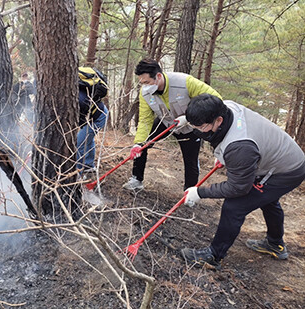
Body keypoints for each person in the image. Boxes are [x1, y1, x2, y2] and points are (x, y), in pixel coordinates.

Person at [181, 94, 305, 269]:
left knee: (235, 206)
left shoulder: (240, 147)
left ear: (218, 121)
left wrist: (200, 192)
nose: (198, 131)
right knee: (267, 199)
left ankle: (213, 256)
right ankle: (275, 244)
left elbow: (238, 187)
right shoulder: (227, 105)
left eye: (201, 127)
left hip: (286, 170)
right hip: (281, 158)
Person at [124, 60, 222, 191]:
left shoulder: (184, 82)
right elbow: (145, 120)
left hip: (190, 127)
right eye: (142, 83)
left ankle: (189, 192)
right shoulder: (145, 93)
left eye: (147, 82)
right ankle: (136, 179)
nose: (145, 86)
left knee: (190, 160)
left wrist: (189, 118)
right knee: (142, 145)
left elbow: (215, 99)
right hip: (166, 122)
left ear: (158, 76)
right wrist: (138, 143)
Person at [77, 84, 108, 177]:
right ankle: (89, 165)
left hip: (99, 117)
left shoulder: (77, 100)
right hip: (95, 114)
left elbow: (78, 120)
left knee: (79, 143)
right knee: (88, 139)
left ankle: (78, 173)